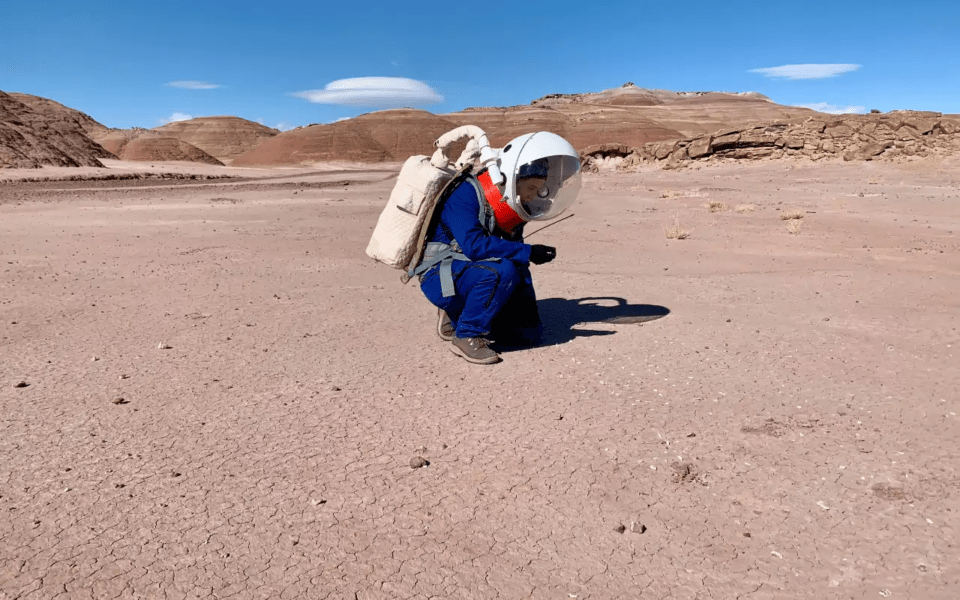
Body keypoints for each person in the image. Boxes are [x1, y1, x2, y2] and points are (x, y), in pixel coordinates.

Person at [412, 132, 582, 364]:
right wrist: (529, 252)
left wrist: (527, 311)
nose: (532, 195)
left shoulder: (511, 205)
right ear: (511, 177)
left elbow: (516, 258)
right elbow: (474, 246)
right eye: (530, 187)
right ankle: (466, 334)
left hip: (473, 269)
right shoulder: (465, 194)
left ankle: (460, 314)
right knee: (502, 270)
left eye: (538, 190)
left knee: (527, 335)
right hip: (441, 276)